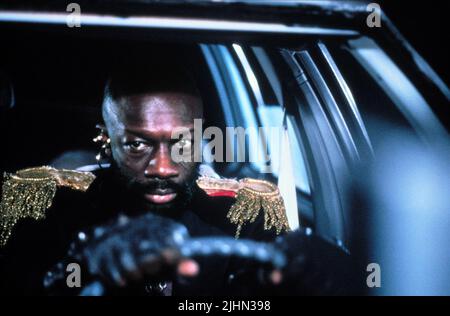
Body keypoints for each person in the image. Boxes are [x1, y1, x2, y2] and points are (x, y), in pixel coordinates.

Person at [0, 56, 352, 296]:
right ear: (106, 140)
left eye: (183, 143)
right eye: (138, 145)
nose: (163, 168)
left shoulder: (245, 212)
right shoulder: (46, 203)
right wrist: (82, 265)